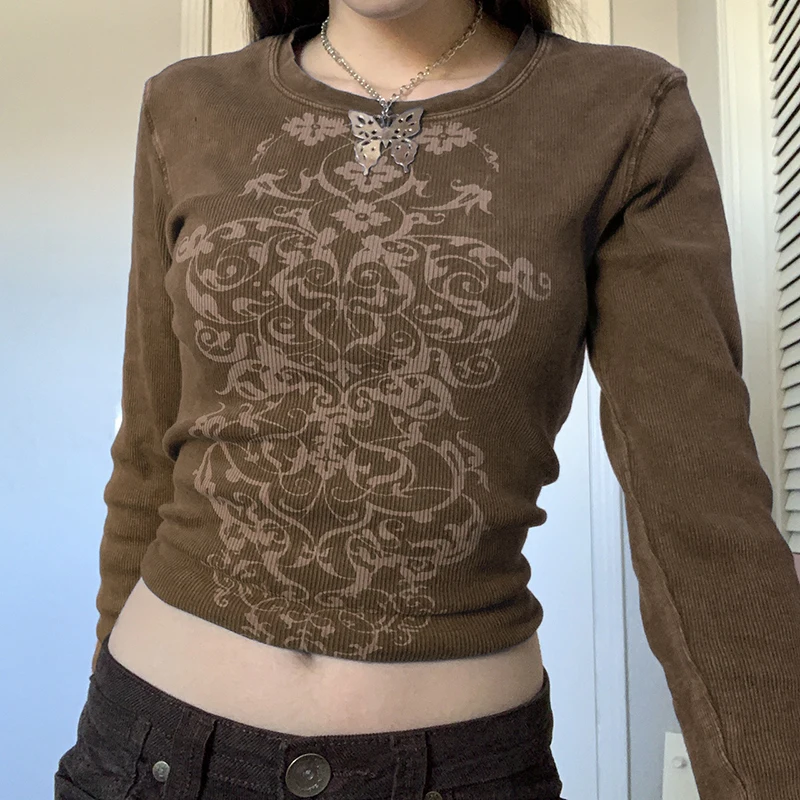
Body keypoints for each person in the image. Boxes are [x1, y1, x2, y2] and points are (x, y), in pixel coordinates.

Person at [54, 0, 800, 798]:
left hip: (461, 770)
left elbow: (701, 507)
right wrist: (108, 687)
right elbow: (149, 451)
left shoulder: (623, 112)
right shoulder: (187, 102)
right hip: (150, 751)